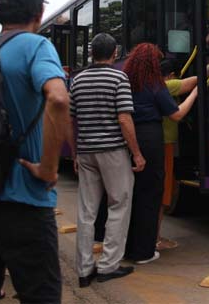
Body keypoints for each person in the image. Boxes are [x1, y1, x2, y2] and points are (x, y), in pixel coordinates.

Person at [0, 0, 71, 303]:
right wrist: (49, 169)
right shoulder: (37, 46)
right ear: (39, 12)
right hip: (24, 198)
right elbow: (58, 99)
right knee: (41, 293)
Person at [70, 33, 144, 287]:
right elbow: (124, 119)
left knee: (87, 211)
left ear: (92, 53)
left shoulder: (77, 80)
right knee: (119, 204)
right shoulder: (118, 77)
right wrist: (136, 153)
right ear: (114, 54)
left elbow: (72, 120)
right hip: (112, 151)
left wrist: (75, 152)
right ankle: (108, 265)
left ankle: (83, 268)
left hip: (86, 151)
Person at [122, 43, 198, 264]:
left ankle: (129, 247)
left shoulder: (127, 82)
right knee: (151, 194)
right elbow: (176, 115)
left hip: (130, 139)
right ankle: (144, 251)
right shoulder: (155, 85)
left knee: (134, 195)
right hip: (151, 139)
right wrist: (194, 93)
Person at [155, 56, 209, 250]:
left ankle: (153, 236)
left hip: (157, 145)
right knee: (162, 195)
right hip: (164, 146)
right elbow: (196, 81)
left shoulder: (148, 85)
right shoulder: (166, 86)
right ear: (172, 75)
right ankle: (155, 239)